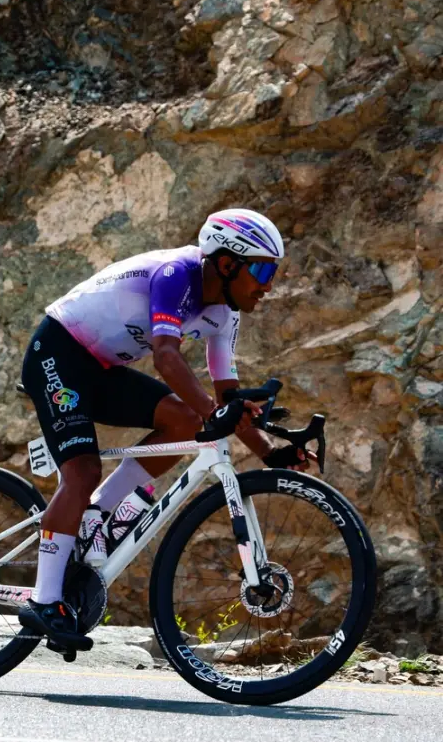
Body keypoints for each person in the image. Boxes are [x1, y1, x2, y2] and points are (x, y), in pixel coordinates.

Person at [17, 208, 313, 651]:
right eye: (262, 269)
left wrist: (270, 452)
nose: (268, 285)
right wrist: (217, 413)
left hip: (100, 369)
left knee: (187, 420)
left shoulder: (225, 315)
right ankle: (44, 600)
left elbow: (225, 402)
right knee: (82, 470)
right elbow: (166, 357)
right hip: (59, 353)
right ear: (228, 262)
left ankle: (98, 512)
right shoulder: (178, 274)